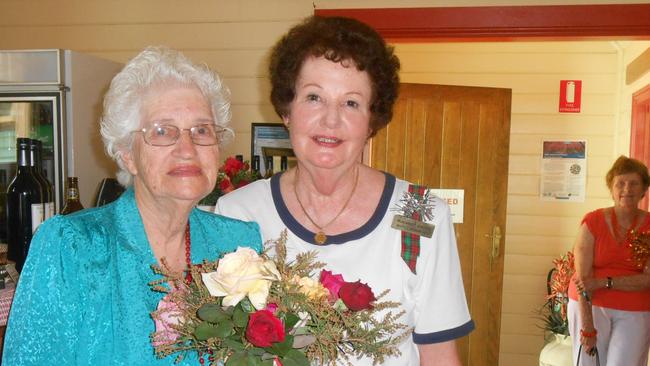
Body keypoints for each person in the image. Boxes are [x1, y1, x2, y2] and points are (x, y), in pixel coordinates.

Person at [216, 16, 474, 365]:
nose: (331, 120)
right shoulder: (237, 213)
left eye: (351, 103)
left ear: (372, 121)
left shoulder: (420, 212)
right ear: (286, 110)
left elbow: (440, 355)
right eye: (313, 97)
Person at [2, 47, 262, 365]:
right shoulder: (71, 247)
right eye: (163, 131)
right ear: (128, 154)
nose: (187, 148)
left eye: (202, 130)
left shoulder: (238, 247)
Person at [568, 155, 650, 366]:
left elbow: (648, 280)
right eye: (620, 183)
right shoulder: (592, 222)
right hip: (589, 304)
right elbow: (583, 279)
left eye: (634, 183)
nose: (627, 189)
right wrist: (587, 327)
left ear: (644, 190)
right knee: (588, 362)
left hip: (635, 309)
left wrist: (606, 282)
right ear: (611, 189)